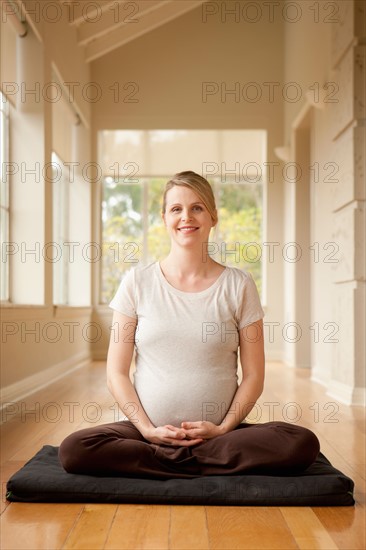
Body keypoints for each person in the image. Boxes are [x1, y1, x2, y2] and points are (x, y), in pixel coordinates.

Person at [59, 171, 320, 478]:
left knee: (300, 443)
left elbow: (253, 376)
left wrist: (223, 428)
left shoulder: (239, 285)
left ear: (213, 217)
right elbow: (116, 373)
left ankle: (168, 462)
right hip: (146, 434)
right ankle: (195, 460)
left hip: (221, 435)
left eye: (197, 208)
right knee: (76, 448)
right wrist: (147, 430)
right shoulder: (136, 283)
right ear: (164, 217)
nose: (187, 217)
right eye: (176, 209)